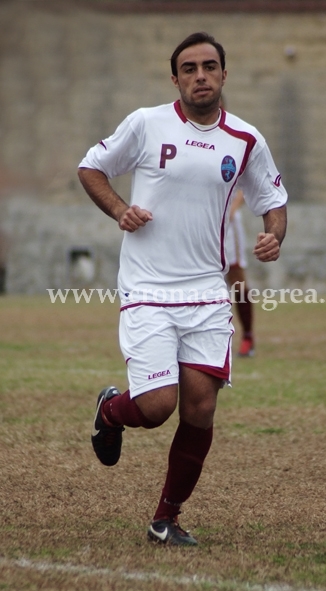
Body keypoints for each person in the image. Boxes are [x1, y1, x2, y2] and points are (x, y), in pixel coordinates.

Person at [78, 31, 287, 547]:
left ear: (223, 74)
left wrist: (273, 236)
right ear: (175, 78)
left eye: (209, 67)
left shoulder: (245, 139)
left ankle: (164, 520)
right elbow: (92, 167)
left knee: (200, 408)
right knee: (155, 407)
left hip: (206, 294)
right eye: (189, 68)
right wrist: (119, 209)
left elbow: (273, 199)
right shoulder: (147, 123)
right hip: (148, 289)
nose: (200, 76)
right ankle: (111, 410)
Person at [225, 188, 255, 357]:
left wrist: (233, 207)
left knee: (236, 278)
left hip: (227, 222)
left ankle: (247, 336)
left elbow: (245, 184)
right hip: (199, 220)